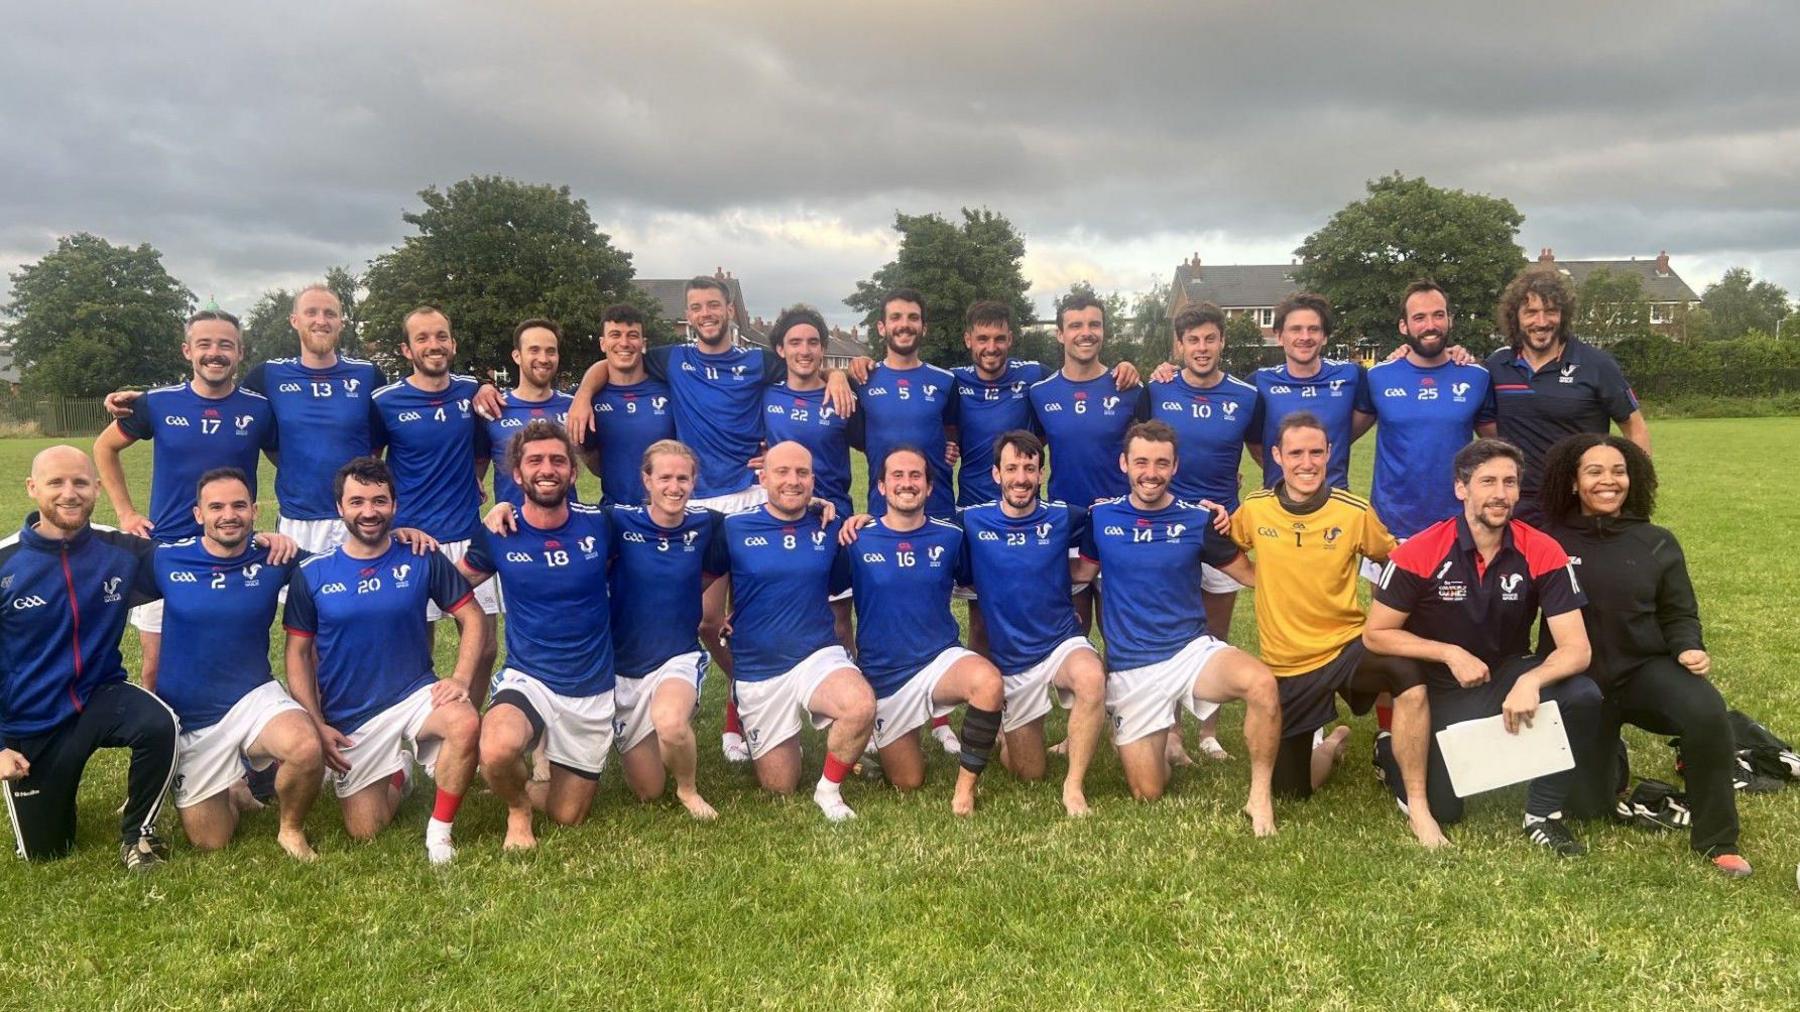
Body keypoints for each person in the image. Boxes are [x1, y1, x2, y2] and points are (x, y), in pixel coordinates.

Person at [562, 276, 856, 764]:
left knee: (752, 616)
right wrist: (580, 395)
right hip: (698, 504)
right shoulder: (673, 359)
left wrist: (841, 374)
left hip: (750, 495)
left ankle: (741, 716)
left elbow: (808, 360)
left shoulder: (758, 361)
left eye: (714, 305)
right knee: (705, 620)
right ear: (688, 314)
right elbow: (613, 357)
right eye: (696, 307)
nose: (706, 313)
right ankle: (744, 692)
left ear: (730, 312)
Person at [1364, 438, 1600, 856]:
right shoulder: (1420, 550)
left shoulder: (1541, 548)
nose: (1500, 494)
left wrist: (1531, 680)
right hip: (1438, 692)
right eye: (1488, 481)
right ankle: (1389, 747)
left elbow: (1576, 649)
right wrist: (1449, 653)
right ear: (1461, 488)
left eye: (1509, 482)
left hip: (1503, 678)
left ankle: (1542, 815)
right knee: (1446, 809)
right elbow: (1376, 634)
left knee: (1582, 694)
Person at [1538, 433, 1750, 876]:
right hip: (1579, 683)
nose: (1608, 481)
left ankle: (1717, 840)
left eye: (1618, 471)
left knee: (1707, 712)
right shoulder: (1547, 540)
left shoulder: (1656, 541)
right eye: (1594, 472)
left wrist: (1690, 647)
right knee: (1588, 808)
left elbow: (1679, 613)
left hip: (1643, 670)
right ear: (1574, 483)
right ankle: (1607, 762)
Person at [1229, 414, 1444, 847]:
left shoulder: (1353, 511)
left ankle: (1419, 806)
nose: (1306, 463)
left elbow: (1395, 559)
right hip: (1288, 664)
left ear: (1329, 454)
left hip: (1347, 646)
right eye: (1295, 453)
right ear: (1276, 457)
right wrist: (1257, 577)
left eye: (1315, 452)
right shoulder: (1254, 508)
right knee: (1293, 790)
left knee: (1408, 676)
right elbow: (1225, 545)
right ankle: (1335, 742)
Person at [1070, 421, 1278, 832]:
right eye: (1142, 462)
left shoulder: (1196, 519)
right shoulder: (1101, 517)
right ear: (1124, 463)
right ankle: (1161, 735)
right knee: (1148, 790)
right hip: (1132, 669)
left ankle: (1259, 798)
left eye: (1161, 463)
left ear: (1175, 466)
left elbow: (1252, 576)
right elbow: (1081, 572)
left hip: (1190, 654)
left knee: (1261, 684)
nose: (1151, 472)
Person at [283, 457, 485, 864]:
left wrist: (461, 677)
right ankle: (400, 772)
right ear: (339, 507)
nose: (369, 511)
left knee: (464, 721)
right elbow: (297, 654)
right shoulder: (313, 573)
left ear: (394, 504)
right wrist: (316, 723)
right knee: (365, 830)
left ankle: (440, 833)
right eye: (357, 502)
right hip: (352, 715)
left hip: (414, 693)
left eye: (379, 500)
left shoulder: (421, 556)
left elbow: (473, 617)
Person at [102, 284, 399, 554]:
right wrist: (143, 398)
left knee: (369, 606)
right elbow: (215, 394)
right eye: (311, 312)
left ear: (341, 322)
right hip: (298, 518)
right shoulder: (268, 375)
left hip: (357, 514)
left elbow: (379, 441)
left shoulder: (368, 374)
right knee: (304, 607)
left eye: (329, 313)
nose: (320, 320)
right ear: (295, 321)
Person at [2, 446, 176, 869]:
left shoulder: (122, 550)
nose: (69, 493)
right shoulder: (5, 562)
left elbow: (200, 560)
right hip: (31, 720)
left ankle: (138, 836)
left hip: (100, 695)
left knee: (159, 723)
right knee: (46, 853)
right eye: (56, 483)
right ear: (32, 488)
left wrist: (262, 542)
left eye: (80, 482)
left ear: (97, 488)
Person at [94, 308, 278, 694]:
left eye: (225, 344)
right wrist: (126, 513)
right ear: (187, 351)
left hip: (233, 552)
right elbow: (104, 448)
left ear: (240, 352)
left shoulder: (260, 409)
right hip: (167, 550)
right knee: (155, 668)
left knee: (231, 658)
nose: (215, 353)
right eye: (204, 344)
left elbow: (290, 462)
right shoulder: (156, 403)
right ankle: (168, 746)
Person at [150, 468, 329, 860]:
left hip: (252, 696)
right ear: (198, 514)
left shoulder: (275, 556)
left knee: (304, 747)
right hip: (192, 718)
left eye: (238, 505)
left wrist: (400, 537)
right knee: (211, 841)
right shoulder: (165, 558)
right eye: (216, 507)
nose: (228, 515)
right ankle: (236, 783)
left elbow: (345, 563)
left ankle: (290, 829)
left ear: (254, 510)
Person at [459, 421, 616, 849]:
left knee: (569, 816)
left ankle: (547, 775)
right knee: (496, 749)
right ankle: (517, 809)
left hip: (591, 687)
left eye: (557, 460)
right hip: (530, 678)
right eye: (535, 461)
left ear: (572, 473)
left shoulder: (601, 524)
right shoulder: (498, 533)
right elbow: (452, 586)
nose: (547, 469)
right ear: (517, 473)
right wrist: (406, 542)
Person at [701, 441, 876, 821]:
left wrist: (863, 523)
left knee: (860, 704)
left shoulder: (829, 524)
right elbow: (702, 599)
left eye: (802, 473)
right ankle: (764, 729)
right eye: (782, 472)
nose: (792, 481)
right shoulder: (730, 527)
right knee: (779, 785)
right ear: (762, 478)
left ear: (814, 479)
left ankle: (828, 791)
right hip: (759, 669)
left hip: (817, 654)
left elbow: (852, 573)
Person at [843, 447, 1005, 815]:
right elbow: (827, 600)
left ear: (930, 487)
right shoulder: (856, 540)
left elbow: (981, 587)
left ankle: (964, 790)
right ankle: (869, 749)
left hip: (939, 659)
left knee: (989, 682)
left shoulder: (950, 537)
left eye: (915, 476)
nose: (907, 483)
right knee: (907, 781)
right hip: (886, 676)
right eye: (897, 476)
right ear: (881, 486)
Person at [954, 430, 1107, 816]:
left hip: (1060, 643)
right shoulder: (970, 521)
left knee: (1091, 676)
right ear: (995, 474)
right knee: (1028, 772)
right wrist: (865, 520)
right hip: (1013, 662)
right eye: (1012, 468)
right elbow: (917, 526)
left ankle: (1074, 787)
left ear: (1041, 474)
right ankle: (1008, 732)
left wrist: (1212, 510)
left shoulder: (1064, 516)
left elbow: (1111, 516)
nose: (1020, 477)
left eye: (1029, 468)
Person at [1138, 301, 1260, 761]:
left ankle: (1208, 731)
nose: (1202, 348)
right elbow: (1140, 452)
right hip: (1170, 528)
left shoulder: (1247, 396)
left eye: (1210, 338)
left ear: (1222, 341)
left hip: (1222, 526)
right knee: (1171, 628)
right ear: (1180, 345)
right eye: (1193, 340)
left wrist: (1247, 510)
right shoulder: (1159, 388)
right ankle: (1169, 732)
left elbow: (1265, 458)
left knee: (1215, 631)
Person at [368, 305, 498, 699]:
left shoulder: (470, 393)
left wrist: (473, 482)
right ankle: (416, 727)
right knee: (413, 650)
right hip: (412, 541)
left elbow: (481, 453)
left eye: (441, 336)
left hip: (467, 535)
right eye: (422, 338)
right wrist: (390, 524)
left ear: (453, 343)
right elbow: (370, 469)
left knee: (485, 647)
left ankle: (466, 729)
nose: (433, 345)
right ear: (407, 350)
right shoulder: (383, 401)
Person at [1486, 265, 1651, 525]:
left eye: (1551, 311)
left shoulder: (1596, 364)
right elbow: (1487, 428)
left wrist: (1636, 493)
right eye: (1531, 312)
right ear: (1515, 317)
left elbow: (1635, 427)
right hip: (1519, 503)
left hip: (1578, 501)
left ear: (1563, 316)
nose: (1541, 322)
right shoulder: (1497, 365)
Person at [1031, 294, 1145, 633]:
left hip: (1121, 523)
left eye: (1094, 324)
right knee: (1072, 634)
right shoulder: (1040, 393)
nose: (1086, 332)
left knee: (1123, 635)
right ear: (1060, 334)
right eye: (1076, 325)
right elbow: (1029, 452)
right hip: (1069, 525)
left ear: (1104, 331)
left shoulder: (1130, 387)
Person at [1364, 281, 1497, 540]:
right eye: (1419, 318)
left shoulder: (1477, 377)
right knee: (1388, 583)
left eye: (1438, 315)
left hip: (1456, 522)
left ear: (1450, 320)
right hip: (1390, 524)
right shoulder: (1378, 377)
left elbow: (1498, 444)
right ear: (1404, 326)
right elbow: (1341, 435)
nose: (1430, 326)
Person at [762, 306, 861, 651]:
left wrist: (840, 376)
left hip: (833, 519)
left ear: (823, 349)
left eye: (813, 343)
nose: (804, 351)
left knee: (837, 622)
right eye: (795, 343)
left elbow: (877, 446)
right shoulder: (766, 396)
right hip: (780, 519)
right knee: (775, 617)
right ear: (780, 350)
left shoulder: (842, 397)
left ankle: (849, 696)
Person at [1247, 293, 1371, 492]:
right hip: (1279, 501)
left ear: (1324, 336)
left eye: (1313, 329)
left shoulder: (1353, 376)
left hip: (1334, 501)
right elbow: (1255, 444)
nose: (1305, 337)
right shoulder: (1258, 383)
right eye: (1296, 329)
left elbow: (1364, 417)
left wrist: (1402, 354)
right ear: (1279, 336)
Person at [852, 289, 959, 520]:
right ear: (882, 327)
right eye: (896, 317)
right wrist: (837, 375)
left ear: (924, 327)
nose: (905, 324)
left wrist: (951, 444)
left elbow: (953, 430)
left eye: (913, 317)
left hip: (938, 510)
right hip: (884, 511)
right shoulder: (862, 380)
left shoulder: (945, 381)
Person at [578, 303, 674, 506]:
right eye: (615, 335)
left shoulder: (671, 391)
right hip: (615, 515)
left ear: (643, 343)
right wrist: (490, 390)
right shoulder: (585, 400)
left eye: (632, 335)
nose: (624, 343)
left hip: (666, 515)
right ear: (603, 343)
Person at [483, 319, 577, 507]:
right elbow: (477, 465)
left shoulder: (574, 407)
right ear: (517, 356)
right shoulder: (492, 408)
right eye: (534, 350)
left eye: (551, 351)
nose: (543, 358)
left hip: (567, 527)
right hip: (512, 527)